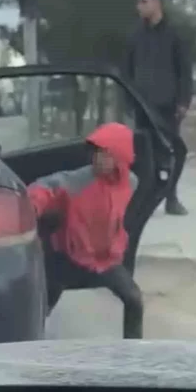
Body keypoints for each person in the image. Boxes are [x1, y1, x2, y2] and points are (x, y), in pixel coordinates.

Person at [28, 122, 144, 339]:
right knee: (40, 308)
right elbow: (46, 187)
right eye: (96, 153)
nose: (98, 160)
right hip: (68, 258)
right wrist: (31, 206)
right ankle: (27, 346)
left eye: (105, 154)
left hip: (104, 260)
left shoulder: (131, 183)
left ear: (120, 156)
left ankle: (133, 352)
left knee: (134, 299)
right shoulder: (79, 181)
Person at [126, 0, 193, 216]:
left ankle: (171, 197)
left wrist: (183, 101)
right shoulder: (135, 35)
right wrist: (128, 100)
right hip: (142, 106)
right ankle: (146, 196)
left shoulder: (174, 34)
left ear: (157, 3)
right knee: (145, 153)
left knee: (174, 151)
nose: (140, 8)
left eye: (144, 2)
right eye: (138, 3)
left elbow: (185, 71)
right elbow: (127, 70)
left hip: (168, 105)